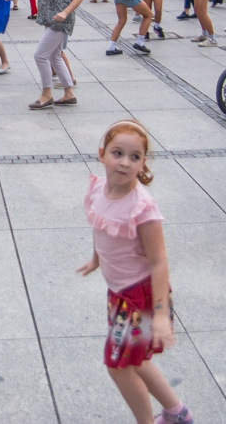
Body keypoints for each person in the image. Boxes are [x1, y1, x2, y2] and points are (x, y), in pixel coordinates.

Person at [77, 120, 190, 424]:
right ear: (101, 154)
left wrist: (162, 315)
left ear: (143, 163)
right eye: (118, 153)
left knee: (117, 364)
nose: (125, 162)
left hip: (140, 298)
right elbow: (101, 226)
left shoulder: (142, 208)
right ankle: (177, 413)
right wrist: (96, 258)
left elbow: (159, 261)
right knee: (133, 360)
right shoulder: (98, 188)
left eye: (135, 156)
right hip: (119, 294)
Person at [6, 0, 83, 109]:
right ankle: (69, 93)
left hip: (60, 21)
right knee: (54, 56)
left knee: (40, 55)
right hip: (50, 18)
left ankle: (46, 94)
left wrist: (65, 13)